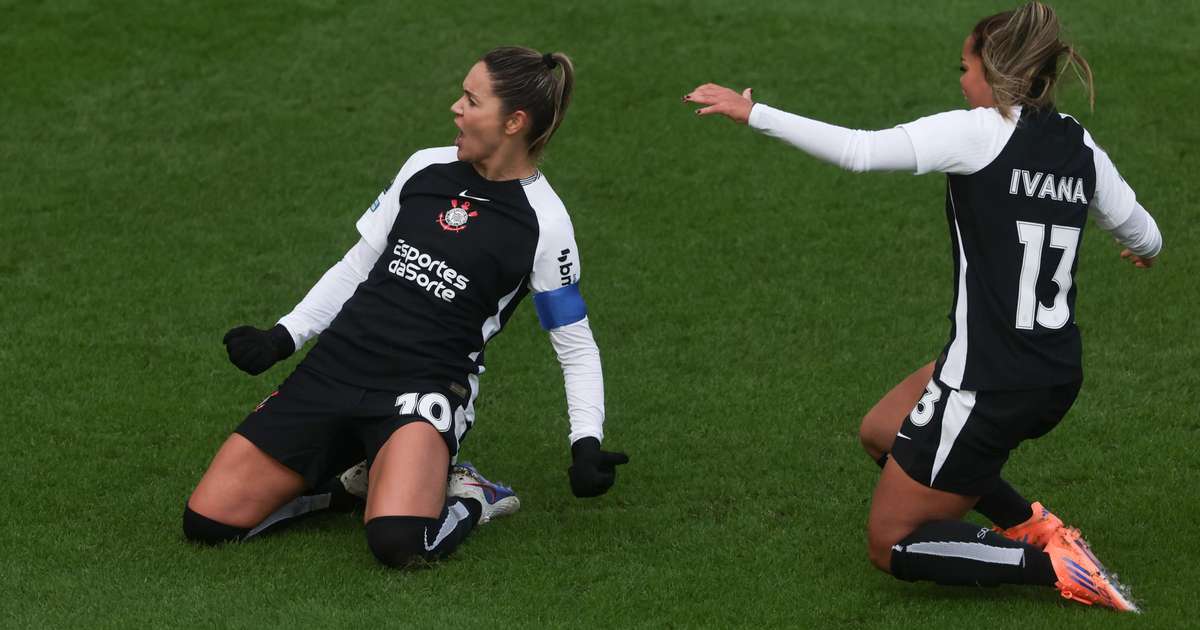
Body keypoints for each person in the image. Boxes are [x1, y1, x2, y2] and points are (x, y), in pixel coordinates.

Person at [685, 1, 1159, 611]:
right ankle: (1033, 524)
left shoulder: (978, 131)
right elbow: (1146, 234)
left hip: (987, 381)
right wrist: (1140, 250)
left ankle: (1053, 567)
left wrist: (754, 112)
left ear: (995, 74)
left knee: (891, 542)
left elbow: (859, 151)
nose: (961, 81)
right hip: (1054, 370)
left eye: (965, 68)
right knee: (882, 430)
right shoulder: (1079, 143)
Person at [184, 46, 629, 568]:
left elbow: (575, 345)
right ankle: (351, 485)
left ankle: (471, 496)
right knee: (208, 523)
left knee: (398, 542)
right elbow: (357, 266)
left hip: (423, 389)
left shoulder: (545, 223)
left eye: (471, 100)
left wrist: (585, 441)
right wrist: (284, 335)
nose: (455, 108)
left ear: (513, 122)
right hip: (336, 367)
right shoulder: (425, 167)